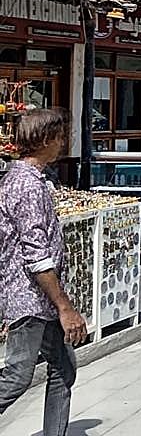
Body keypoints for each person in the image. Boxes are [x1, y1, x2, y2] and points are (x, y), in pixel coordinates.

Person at [0, 109, 87, 436]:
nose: (64, 143)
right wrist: (65, 308)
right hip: (30, 298)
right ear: (47, 140)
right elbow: (36, 254)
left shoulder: (25, 179)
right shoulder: (27, 185)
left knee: (63, 370)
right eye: (61, 137)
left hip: (40, 299)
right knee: (17, 377)